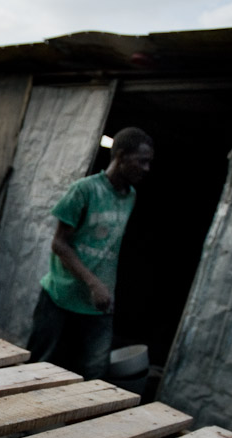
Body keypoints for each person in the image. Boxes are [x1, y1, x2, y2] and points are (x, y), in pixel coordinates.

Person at [26, 127, 154, 380]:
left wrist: (101, 288)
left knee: (94, 371)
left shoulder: (130, 197)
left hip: (98, 303)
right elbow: (60, 244)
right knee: (39, 365)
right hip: (61, 295)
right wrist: (94, 282)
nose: (147, 168)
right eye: (142, 161)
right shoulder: (83, 190)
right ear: (120, 155)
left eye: (149, 162)